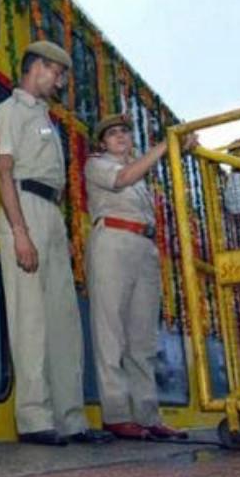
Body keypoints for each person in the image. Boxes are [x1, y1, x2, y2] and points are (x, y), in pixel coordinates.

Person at [0, 40, 113, 446]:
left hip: (50, 213)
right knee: (30, 320)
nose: (59, 83)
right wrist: (21, 231)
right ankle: (35, 419)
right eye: (57, 74)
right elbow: (4, 173)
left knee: (63, 321)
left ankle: (71, 419)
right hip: (22, 207)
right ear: (38, 67)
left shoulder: (44, 118)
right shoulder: (11, 112)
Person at [84, 114, 196, 440]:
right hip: (112, 241)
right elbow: (122, 178)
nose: (120, 137)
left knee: (143, 338)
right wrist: (167, 143)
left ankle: (148, 415)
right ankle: (116, 415)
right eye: (112, 133)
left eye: (125, 132)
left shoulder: (142, 178)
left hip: (144, 246)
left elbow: (138, 174)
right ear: (102, 143)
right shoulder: (97, 164)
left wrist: (182, 146)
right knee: (111, 334)